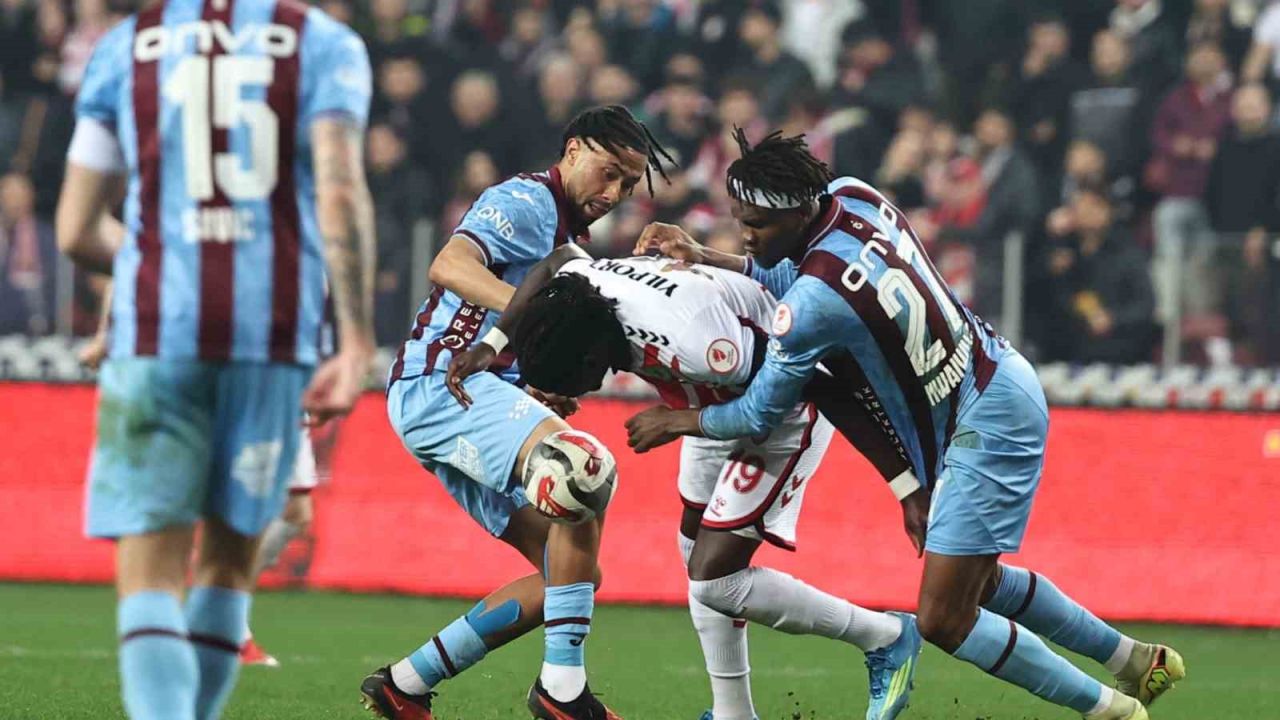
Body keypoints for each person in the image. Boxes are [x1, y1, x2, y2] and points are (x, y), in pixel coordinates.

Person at [623, 130, 1185, 720]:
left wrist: (680, 420)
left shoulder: (813, 302)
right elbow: (814, 277)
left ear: (796, 212)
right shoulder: (853, 195)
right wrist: (707, 256)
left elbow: (760, 410)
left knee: (944, 617)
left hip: (983, 418)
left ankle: (1110, 711)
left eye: (757, 223)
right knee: (978, 583)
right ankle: (1134, 660)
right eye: (741, 218)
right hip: (994, 375)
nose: (746, 232)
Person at [54, 0, 376, 717]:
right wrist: (354, 339)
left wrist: (146, 259)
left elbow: (76, 228)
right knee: (228, 566)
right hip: (271, 338)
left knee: (151, 570)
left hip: (156, 334)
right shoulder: (321, 43)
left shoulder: (127, 46)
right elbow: (340, 188)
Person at [447, 243, 927, 720]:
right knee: (693, 556)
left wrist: (904, 485)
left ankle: (884, 637)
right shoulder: (587, 292)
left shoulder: (699, 343)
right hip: (708, 401)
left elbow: (816, 381)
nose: (576, 393)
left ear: (594, 354)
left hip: (781, 410)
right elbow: (555, 261)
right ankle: (733, 714)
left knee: (715, 579)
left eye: (575, 380)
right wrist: (493, 345)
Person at [361, 105, 673, 720]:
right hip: (439, 382)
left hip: (468, 392)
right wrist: (541, 323)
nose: (613, 194)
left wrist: (537, 379)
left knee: (570, 572)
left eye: (628, 186)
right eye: (608, 173)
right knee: (582, 470)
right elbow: (449, 265)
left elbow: (515, 339)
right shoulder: (527, 200)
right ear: (575, 149)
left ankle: (405, 684)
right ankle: (562, 695)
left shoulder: (571, 243)